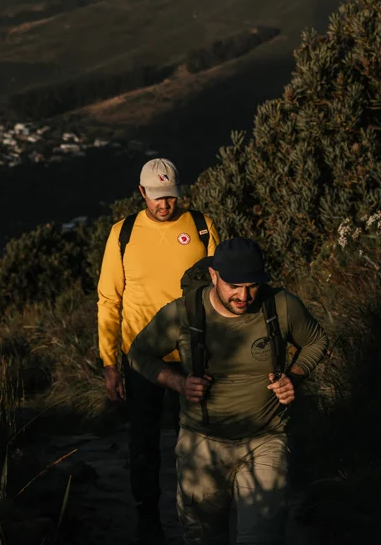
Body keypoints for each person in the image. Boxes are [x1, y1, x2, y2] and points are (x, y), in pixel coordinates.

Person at [128, 238, 331, 545]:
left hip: (267, 439)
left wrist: (294, 376)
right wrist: (179, 382)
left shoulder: (281, 306)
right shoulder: (182, 313)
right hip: (202, 442)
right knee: (204, 537)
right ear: (214, 276)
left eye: (252, 286)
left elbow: (316, 341)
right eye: (234, 286)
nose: (243, 296)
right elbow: (138, 354)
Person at [97, 158, 221, 542]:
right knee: (145, 443)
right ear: (141, 193)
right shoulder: (123, 233)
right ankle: (147, 517)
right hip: (140, 359)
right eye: (156, 197)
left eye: (170, 197)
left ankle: (201, 516)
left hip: (194, 355)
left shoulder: (201, 226)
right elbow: (109, 299)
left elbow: (223, 288)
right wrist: (109, 362)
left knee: (199, 441)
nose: (164, 205)